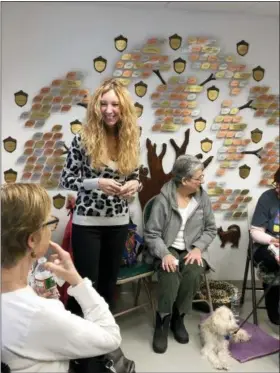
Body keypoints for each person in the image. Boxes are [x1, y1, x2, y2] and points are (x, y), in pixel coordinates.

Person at [1, 183, 122, 372]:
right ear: (32, 239)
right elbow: (111, 337)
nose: (52, 228)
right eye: (50, 223)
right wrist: (78, 282)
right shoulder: (39, 314)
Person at [60, 78, 141, 314]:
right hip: (87, 223)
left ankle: (103, 338)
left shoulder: (130, 140)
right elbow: (66, 179)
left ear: (123, 108)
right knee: (85, 285)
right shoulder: (82, 140)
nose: (109, 110)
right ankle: (79, 338)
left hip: (118, 222)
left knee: (108, 285)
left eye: (115, 104)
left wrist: (135, 185)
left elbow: (135, 177)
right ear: (96, 107)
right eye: (103, 104)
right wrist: (97, 183)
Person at [144, 155, 217, 354]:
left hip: (192, 248)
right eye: (198, 178)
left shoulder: (202, 199)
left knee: (194, 271)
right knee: (169, 272)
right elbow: (152, 234)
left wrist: (197, 248)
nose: (202, 181)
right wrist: (165, 254)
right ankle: (162, 320)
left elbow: (211, 229)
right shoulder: (163, 200)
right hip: (168, 248)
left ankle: (179, 317)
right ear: (184, 180)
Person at [250, 167, 280, 325]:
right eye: (278, 186)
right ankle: (273, 310)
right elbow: (255, 232)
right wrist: (272, 242)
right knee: (271, 261)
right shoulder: (267, 198)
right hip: (266, 244)